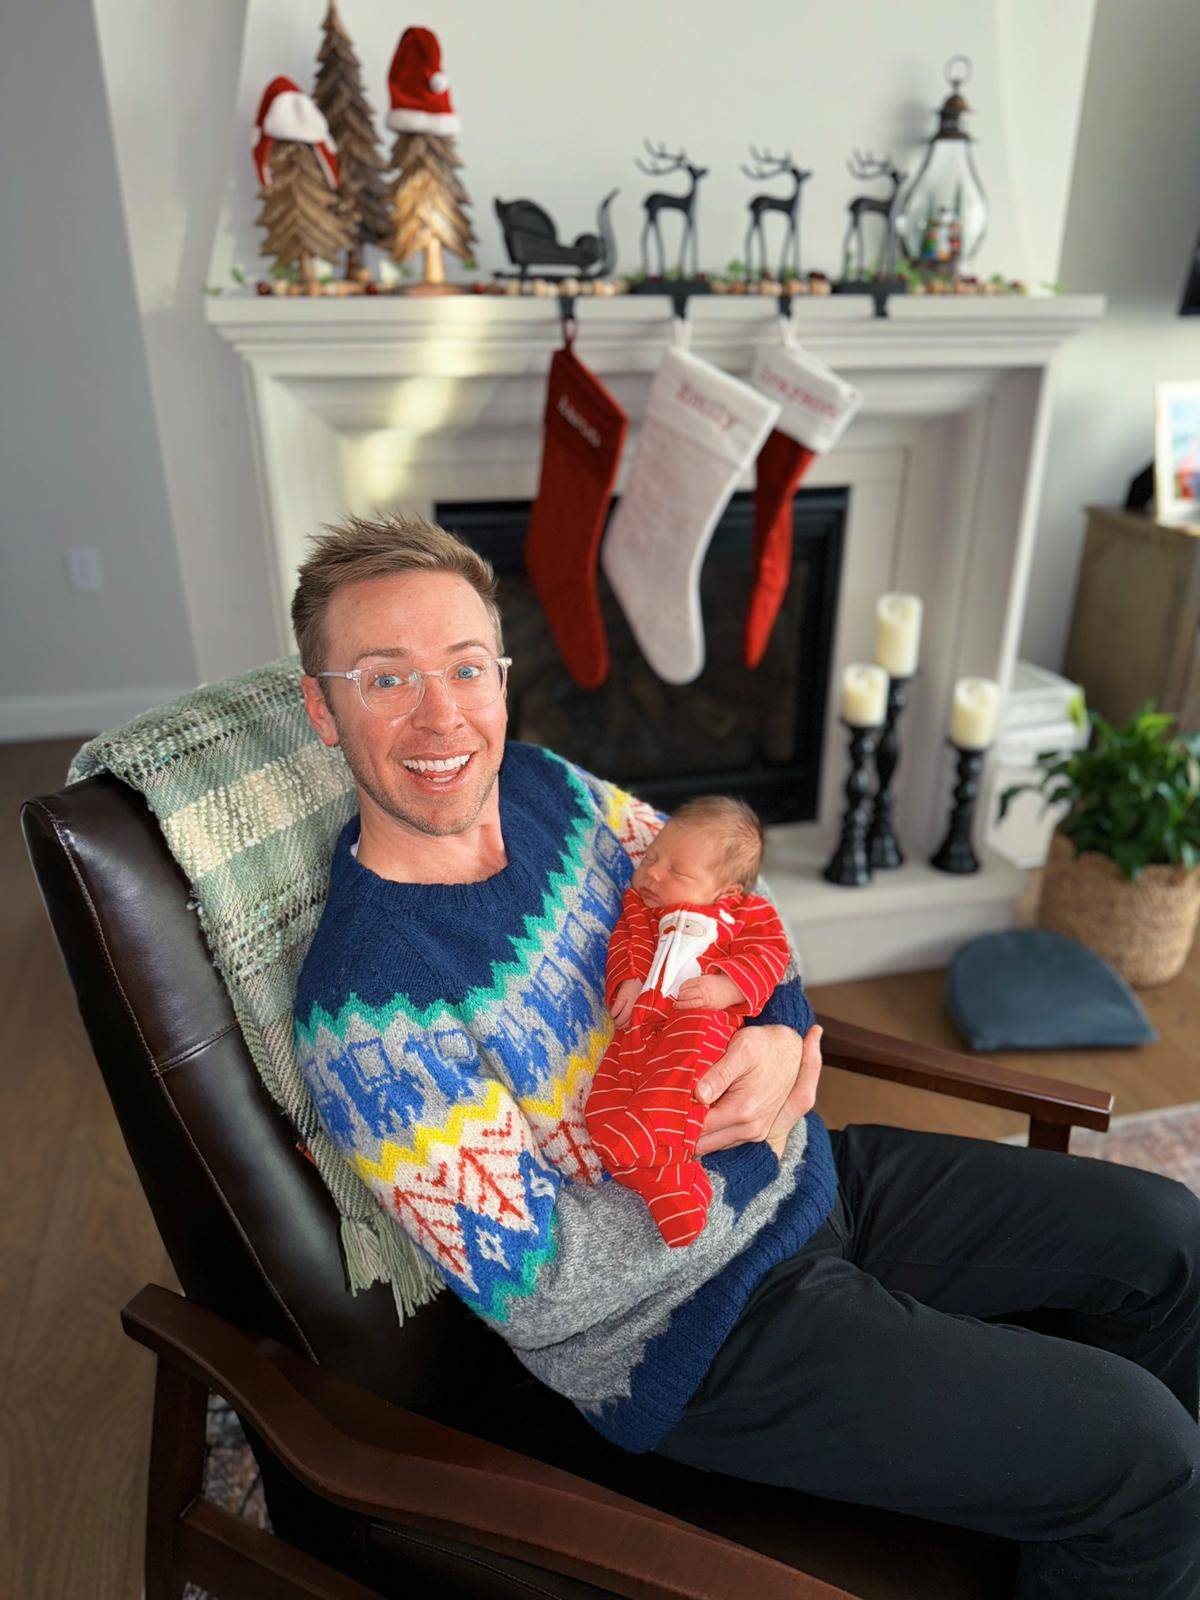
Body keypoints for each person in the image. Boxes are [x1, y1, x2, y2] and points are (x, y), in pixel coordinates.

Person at [293, 511, 1200, 1599]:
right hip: (701, 1332)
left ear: (501, 675)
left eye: (466, 667)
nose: (443, 714)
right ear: (323, 707)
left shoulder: (545, 787)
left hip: (817, 1185)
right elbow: (543, 1287)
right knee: (1144, 1453)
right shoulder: (364, 1013)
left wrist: (781, 1033)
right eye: (386, 678)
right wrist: (757, 1137)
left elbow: (734, 901)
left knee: (1170, 1238)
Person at [586, 796, 792, 1247]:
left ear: (726, 894)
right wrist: (626, 981)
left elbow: (770, 955)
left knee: (672, 1088)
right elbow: (626, 943)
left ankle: (648, 1149)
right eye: (652, 857)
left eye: (676, 871)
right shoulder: (641, 909)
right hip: (641, 1023)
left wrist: (726, 986)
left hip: (699, 1022)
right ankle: (672, 1187)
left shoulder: (744, 915)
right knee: (605, 1101)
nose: (653, 873)